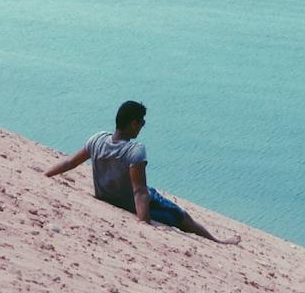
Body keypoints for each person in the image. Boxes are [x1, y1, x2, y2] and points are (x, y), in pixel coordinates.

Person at [44, 99, 239, 244]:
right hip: (130, 203)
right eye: (142, 122)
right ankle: (218, 242)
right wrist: (145, 223)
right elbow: (140, 191)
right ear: (133, 123)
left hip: (105, 195)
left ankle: (216, 240)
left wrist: (46, 175)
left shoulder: (97, 139)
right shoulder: (135, 150)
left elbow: (70, 162)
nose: (142, 127)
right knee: (182, 216)